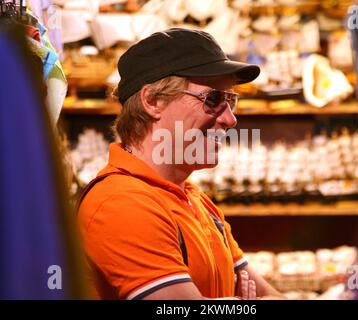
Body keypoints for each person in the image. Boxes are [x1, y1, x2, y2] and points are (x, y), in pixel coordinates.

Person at [78, 28, 282, 300]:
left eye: (231, 100)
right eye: (213, 99)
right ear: (152, 100)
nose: (230, 120)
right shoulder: (120, 202)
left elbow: (269, 296)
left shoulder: (194, 199)